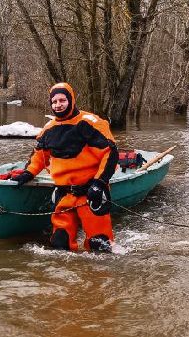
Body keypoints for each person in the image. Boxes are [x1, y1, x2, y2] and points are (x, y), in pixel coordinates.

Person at [9, 82, 118, 253]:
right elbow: (39, 156)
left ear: (71, 100)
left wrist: (100, 183)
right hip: (64, 194)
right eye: (54, 102)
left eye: (62, 100)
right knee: (60, 245)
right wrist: (27, 174)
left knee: (100, 246)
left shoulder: (90, 123)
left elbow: (110, 153)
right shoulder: (49, 129)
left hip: (90, 193)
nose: (58, 105)